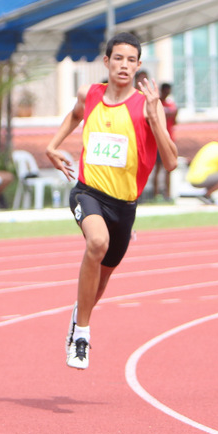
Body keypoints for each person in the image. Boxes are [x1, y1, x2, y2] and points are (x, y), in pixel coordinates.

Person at [45, 32, 177, 370]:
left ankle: (80, 315)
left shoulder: (148, 105)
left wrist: (153, 118)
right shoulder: (91, 95)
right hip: (88, 192)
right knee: (97, 243)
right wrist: (53, 145)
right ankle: (83, 335)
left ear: (138, 65)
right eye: (118, 58)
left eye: (131, 60)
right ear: (106, 62)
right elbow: (75, 115)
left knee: (101, 280)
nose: (124, 65)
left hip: (124, 205)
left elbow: (172, 161)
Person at [152, 82, 178, 201]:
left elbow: (176, 121)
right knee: (157, 168)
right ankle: (156, 194)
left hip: (169, 139)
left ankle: (167, 194)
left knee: (169, 168)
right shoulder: (157, 104)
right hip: (157, 140)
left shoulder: (171, 105)